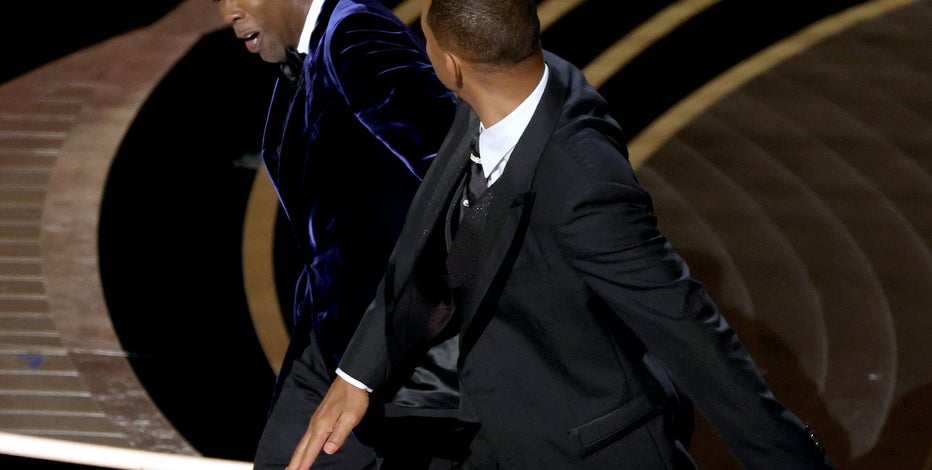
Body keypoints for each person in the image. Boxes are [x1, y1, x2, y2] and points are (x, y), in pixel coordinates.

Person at [289, 0, 838, 468]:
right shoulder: (510, 87)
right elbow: (450, 251)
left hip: (587, 449)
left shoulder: (583, 186)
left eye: (425, 42)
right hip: (496, 427)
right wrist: (358, 376)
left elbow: (689, 328)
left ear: (452, 66)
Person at [213, 0, 461, 468]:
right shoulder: (307, 53)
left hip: (395, 353)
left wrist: (383, 347)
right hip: (329, 345)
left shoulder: (356, 33)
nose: (227, 13)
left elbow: (453, 169)